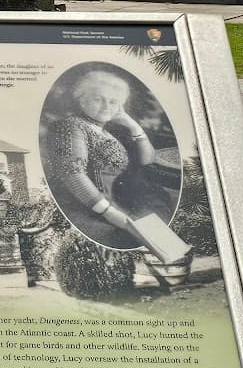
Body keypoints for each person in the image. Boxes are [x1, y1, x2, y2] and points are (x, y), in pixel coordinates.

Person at [41, 65, 163, 250]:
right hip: (88, 208)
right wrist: (108, 212)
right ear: (82, 100)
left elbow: (149, 160)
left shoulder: (108, 131)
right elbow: (73, 173)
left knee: (162, 237)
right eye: (99, 99)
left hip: (120, 204)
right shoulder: (70, 126)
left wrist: (134, 127)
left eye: (114, 102)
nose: (107, 106)